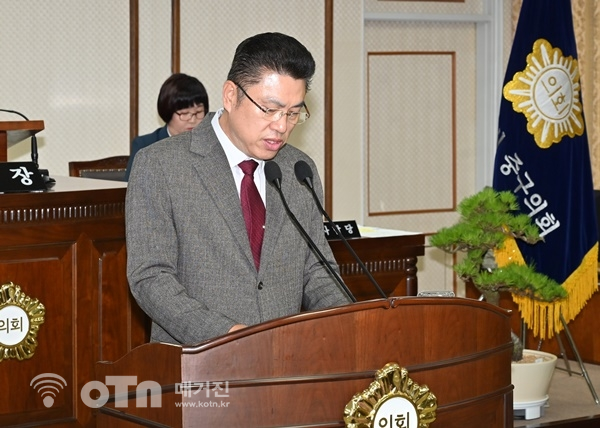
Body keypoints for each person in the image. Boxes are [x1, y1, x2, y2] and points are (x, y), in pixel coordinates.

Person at [126, 32, 351, 345]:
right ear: (231, 96)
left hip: (284, 367)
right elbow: (151, 278)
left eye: (293, 113)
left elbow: (316, 269)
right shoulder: (162, 165)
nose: (281, 126)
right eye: (269, 109)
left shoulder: (299, 170)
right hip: (195, 368)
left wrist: (350, 325)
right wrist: (230, 338)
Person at [124, 73, 209, 180]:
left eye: (198, 112)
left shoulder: (208, 145)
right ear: (167, 111)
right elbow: (132, 190)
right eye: (184, 113)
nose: (192, 120)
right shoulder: (145, 146)